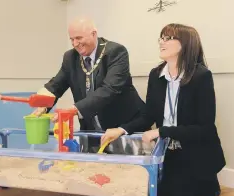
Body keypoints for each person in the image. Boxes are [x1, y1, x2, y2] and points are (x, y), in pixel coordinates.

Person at [100, 23, 226, 196]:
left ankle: (206, 183)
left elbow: (204, 128)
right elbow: (148, 116)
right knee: (140, 193)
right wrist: (121, 130)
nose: (161, 42)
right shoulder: (156, 74)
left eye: (168, 38)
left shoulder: (201, 76)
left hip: (193, 153)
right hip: (167, 152)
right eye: (161, 37)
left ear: (186, 43)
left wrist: (161, 131)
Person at [32, 17, 150, 152]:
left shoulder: (116, 52)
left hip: (125, 129)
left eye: (79, 38)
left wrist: (74, 109)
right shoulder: (70, 57)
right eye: (71, 39)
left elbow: (109, 89)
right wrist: (43, 105)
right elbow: (56, 84)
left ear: (93, 34)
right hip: (93, 133)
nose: (75, 44)